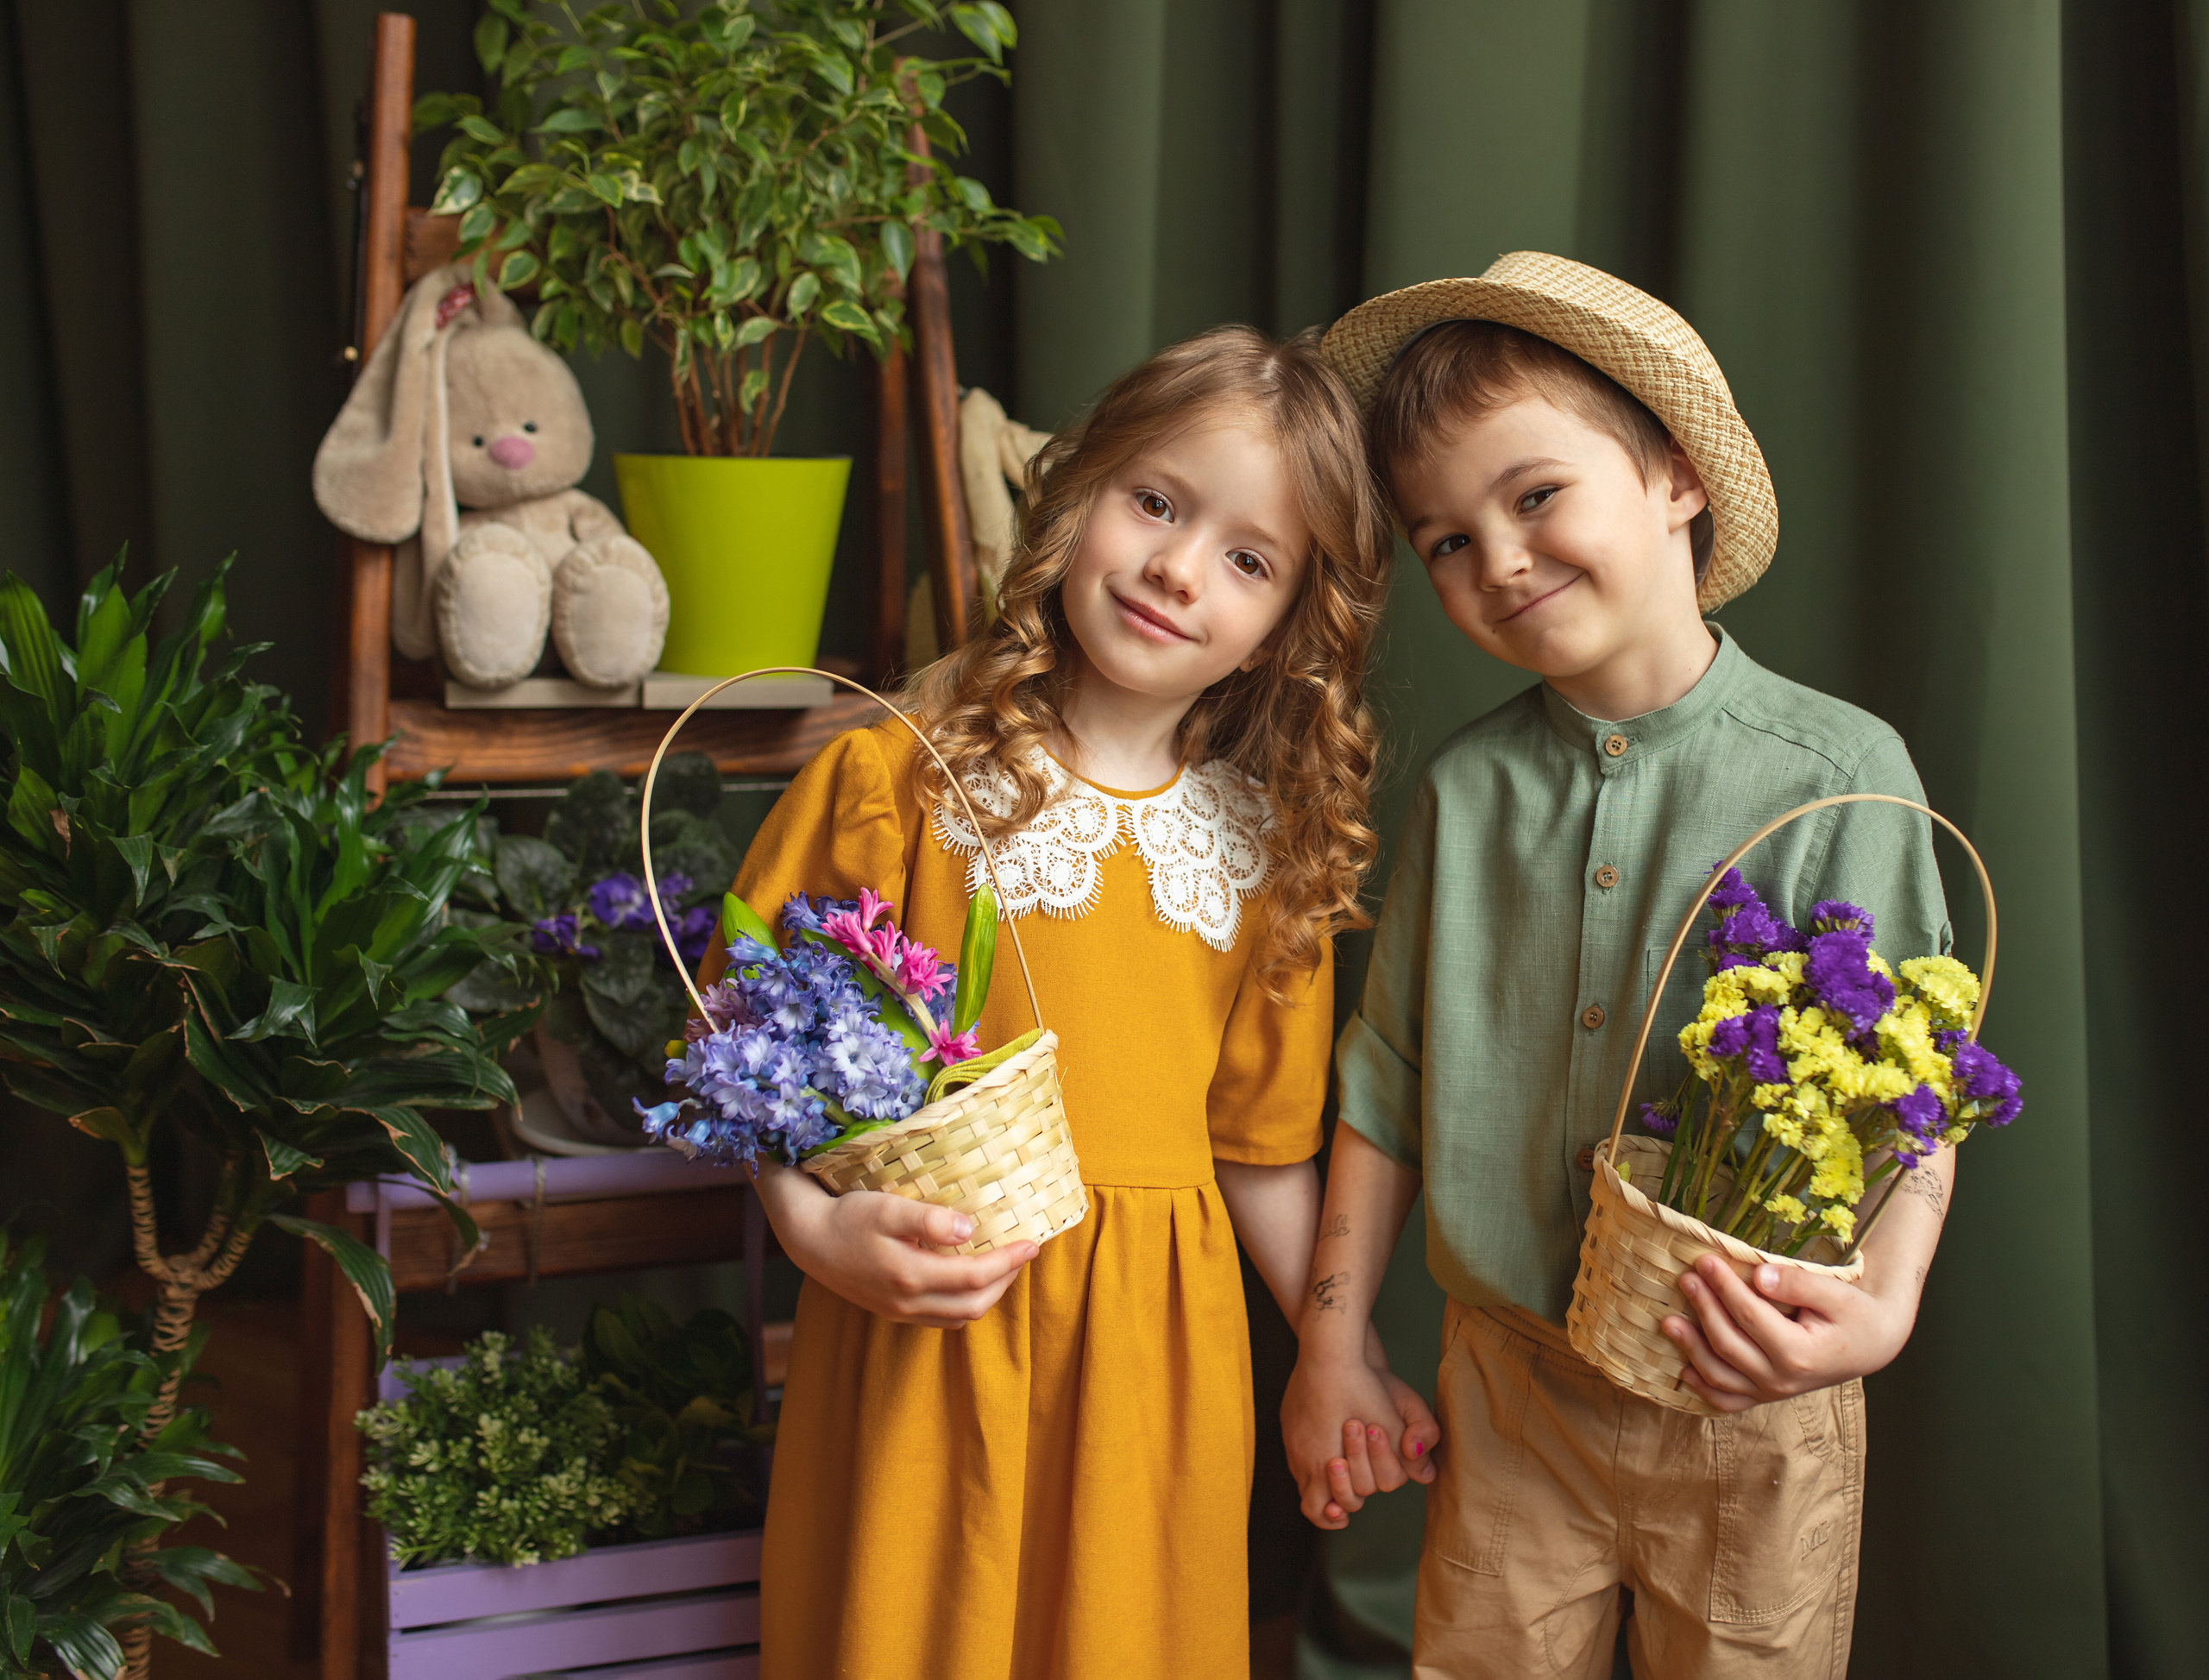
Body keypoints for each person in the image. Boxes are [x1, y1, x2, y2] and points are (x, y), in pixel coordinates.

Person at [1282, 252, 1956, 1677]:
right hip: (1509, 1381)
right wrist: (1332, 1348)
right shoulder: (1462, 798)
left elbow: (1917, 1087)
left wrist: (1880, 1313)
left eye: (1534, 496)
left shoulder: (1844, 777)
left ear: (1674, 480)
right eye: (1446, 541)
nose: (1499, 559)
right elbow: (1385, 1084)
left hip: (1747, 1386)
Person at [716, 325, 1415, 1677]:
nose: (1174, 568)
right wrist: (815, 1235)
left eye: (1247, 558)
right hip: (936, 1319)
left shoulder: (1269, 859)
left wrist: (1340, 1353)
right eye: (1155, 502)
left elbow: (1261, 1154)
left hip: (1155, 1362)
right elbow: (753, 1061)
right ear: (1077, 490)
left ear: (1290, 625)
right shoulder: (897, 782)